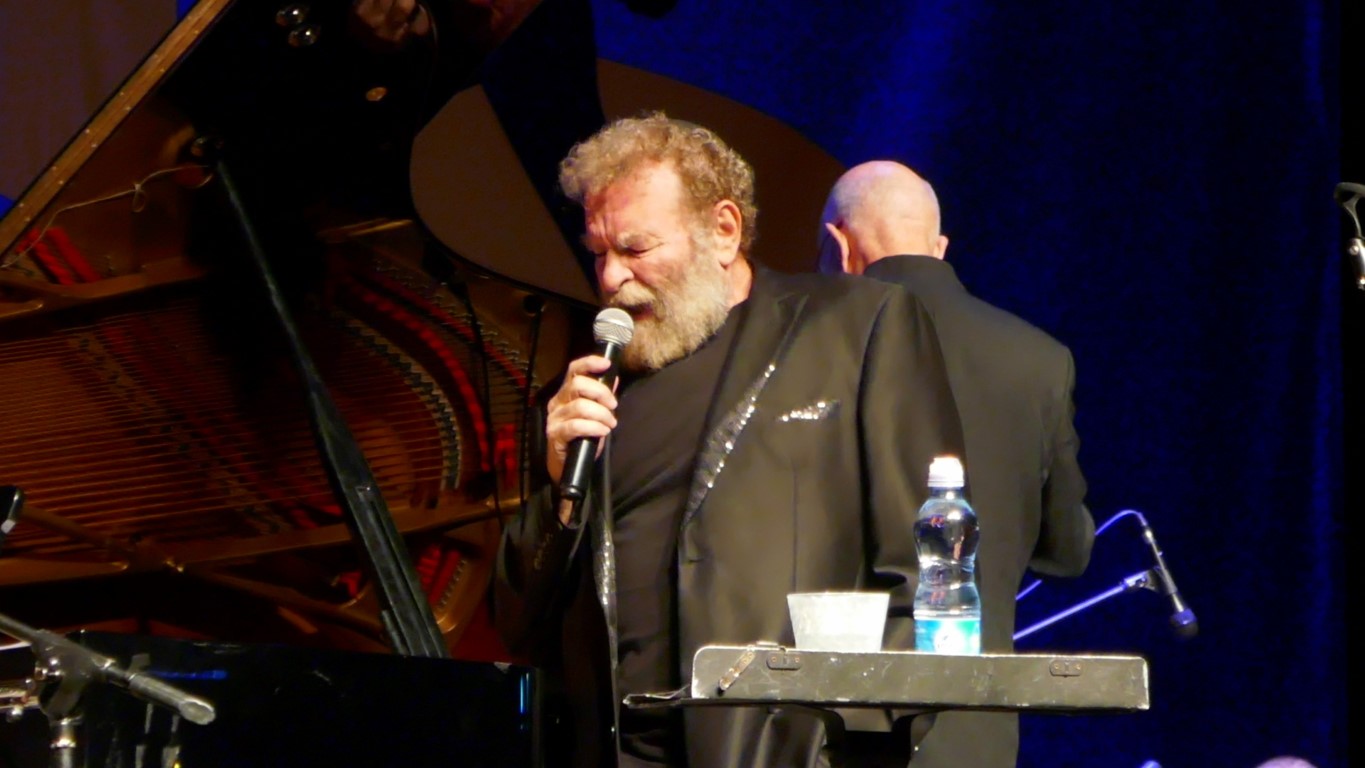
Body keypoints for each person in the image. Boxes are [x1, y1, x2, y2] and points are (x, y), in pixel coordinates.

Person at [495, 114, 966, 767]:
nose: (609, 278)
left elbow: (930, 565)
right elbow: (518, 622)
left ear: (722, 230)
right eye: (598, 253)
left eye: (635, 249)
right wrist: (559, 492)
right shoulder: (587, 397)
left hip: (782, 748)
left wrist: (840, 740)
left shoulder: (854, 327)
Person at [818, 159, 1096, 767]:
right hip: (975, 733)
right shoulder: (1039, 358)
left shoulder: (811, 346)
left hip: (833, 726)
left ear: (839, 247)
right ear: (939, 247)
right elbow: (1069, 550)